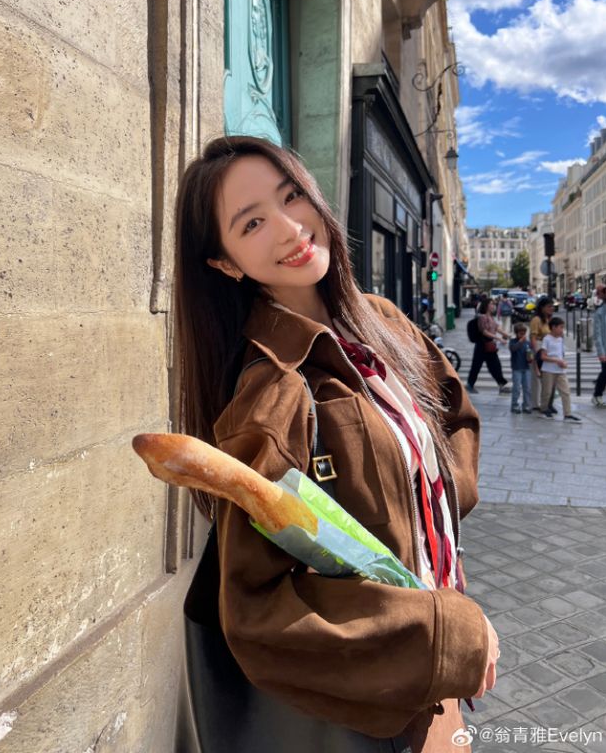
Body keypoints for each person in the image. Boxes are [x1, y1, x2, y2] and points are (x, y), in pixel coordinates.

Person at [174, 136, 499, 752]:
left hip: (438, 678)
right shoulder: (272, 393)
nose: (289, 227)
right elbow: (257, 609)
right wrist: (445, 634)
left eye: (292, 196)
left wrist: (431, 504)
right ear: (224, 263)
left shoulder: (382, 320)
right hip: (383, 711)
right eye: (252, 223)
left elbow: (454, 413)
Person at [539, 317, 581, 423]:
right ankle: (544, 409)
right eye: (561, 327)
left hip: (560, 370)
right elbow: (543, 356)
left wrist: (563, 362)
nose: (562, 330)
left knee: (566, 391)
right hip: (548, 369)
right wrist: (556, 360)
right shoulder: (547, 339)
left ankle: (567, 414)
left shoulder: (561, 339)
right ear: (553, 327)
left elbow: (561, 354)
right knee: (547, 391)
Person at [465, 298, 511, 395]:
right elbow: (484, 332)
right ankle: (470, 385)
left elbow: (497, 328)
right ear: (486, 305)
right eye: (491, 304)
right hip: (482, 345)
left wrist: (507, 335)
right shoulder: (482, 317)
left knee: (495, 366)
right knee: (476, 366)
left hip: (490, 346)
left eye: (494, 304)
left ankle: (501, 384)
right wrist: (499, 338)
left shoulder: (491, 317)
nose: (493, 306)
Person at [529, 296, 555, 413]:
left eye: (552, 306)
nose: (551, 308)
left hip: (548, 348)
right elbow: (533, 337)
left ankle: (547, 403)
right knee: (537, 378)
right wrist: (536, 354)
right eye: (549, 306)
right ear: (542, 308)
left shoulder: (549, 319)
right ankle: (536, 403)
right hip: (539, 347)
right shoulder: (536, 320)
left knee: (548, 378)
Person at [509, 323, 533, 414]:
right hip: (517, 368)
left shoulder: (528, 343)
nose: (523, 335)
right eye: (520, 333)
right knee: (516, 388)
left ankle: (526, 405)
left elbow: (530, 353)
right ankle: (514, 405)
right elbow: (513, 349)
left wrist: (531, 358)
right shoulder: (513, 342)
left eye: (524, 333)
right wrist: (520, 342)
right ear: (516, 333)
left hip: (526, 368)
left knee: (527, 388)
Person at [592, 283, 606, 408]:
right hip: (605, 349)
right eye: (603, 291)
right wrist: (601, 352)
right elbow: (597, 334)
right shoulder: (600, 312)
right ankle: (597, 395)